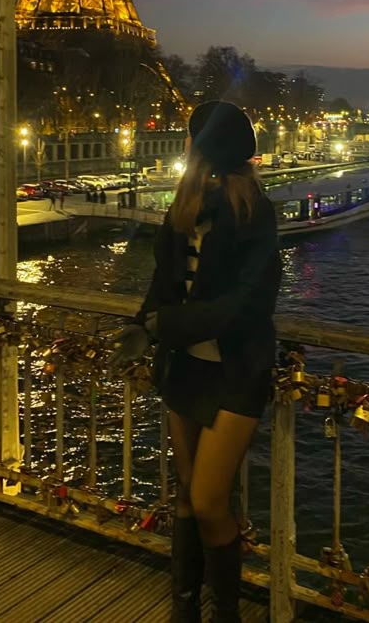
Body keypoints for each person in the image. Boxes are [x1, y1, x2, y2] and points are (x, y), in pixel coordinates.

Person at [111, 101, 281, 623]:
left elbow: (251, 301)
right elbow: (163, 284)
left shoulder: (254, 210)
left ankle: (223, 612)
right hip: (184, 367)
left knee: (208, 501)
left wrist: (170, 326)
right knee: (188, 495)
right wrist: (141, 324)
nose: (185, 145)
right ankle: (185, 606)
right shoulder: (184, 207)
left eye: (192, 137)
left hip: (236, 372)